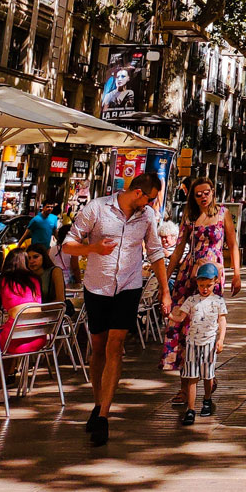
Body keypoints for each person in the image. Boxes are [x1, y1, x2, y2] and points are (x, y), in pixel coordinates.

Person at [64, 171, 170, 447]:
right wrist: (93, 249)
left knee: (116, 343)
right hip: (97, 287)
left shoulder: (147, 217)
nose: (149, 205)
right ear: (138, 193)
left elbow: (156, 251)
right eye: (149, 199)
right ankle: (98, 403)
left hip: (129, 286)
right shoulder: (97, 208)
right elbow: (68, 244)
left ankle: (104, 415)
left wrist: (165, 290)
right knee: (98, 346)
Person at [162, 177, 241, 401]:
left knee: (205, 326)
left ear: (213, 193)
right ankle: (185, 387)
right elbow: (179, 249)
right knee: (181, 326)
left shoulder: (223, 213)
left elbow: (233, 244)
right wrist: (166, 280)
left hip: (213, 276)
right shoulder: (190, 217)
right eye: (198, 194)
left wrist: (237, 274)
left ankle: (207, 376)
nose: (203, 197)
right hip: (189, 274)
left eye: (206, 193)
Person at [170, 262, 228, 426]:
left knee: (208, 376)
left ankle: (207, 399)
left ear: (215, 282)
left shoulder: (218, 301)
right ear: (197, 284)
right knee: (192, 377)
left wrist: (221, 339)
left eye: (208, 285)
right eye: (202, 285)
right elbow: (181, 317)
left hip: (209, 343)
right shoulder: (192, 300)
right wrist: (169, 316)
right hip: (192, 343)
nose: (204, 289)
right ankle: (191, 408)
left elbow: (222, 321)